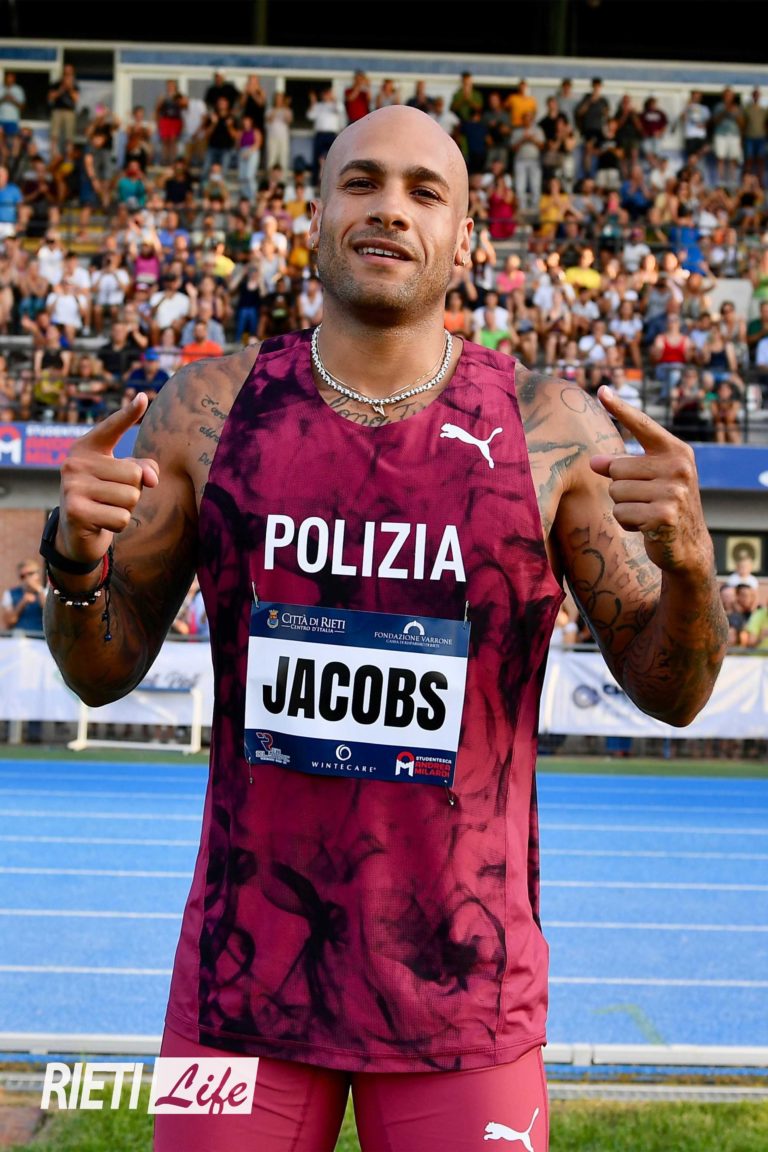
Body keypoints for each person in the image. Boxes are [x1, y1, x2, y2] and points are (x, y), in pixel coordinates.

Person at [42, 105, 726, 1152]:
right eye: (360, 182)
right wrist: (73, 563)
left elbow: (674, 693)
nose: (390, 209)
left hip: (464, 994)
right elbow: (101, 671)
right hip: (240, 985)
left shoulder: (551, 429)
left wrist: (691, 569)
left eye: (424, 191)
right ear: (314, 217)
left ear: (466, 240)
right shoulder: (206, 412)